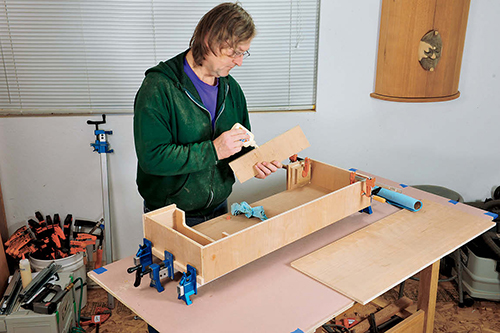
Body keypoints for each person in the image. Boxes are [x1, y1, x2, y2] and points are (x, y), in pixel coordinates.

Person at [134, 1, 281, 230]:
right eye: (234, 52)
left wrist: (253, 163)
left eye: (244, 53)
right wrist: (213, 150)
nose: (240, 62)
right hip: (171, 216)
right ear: (209, 40)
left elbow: (240, 145)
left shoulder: (231, 90)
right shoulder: (159, 87)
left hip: (219, 208)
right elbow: (152, 158)